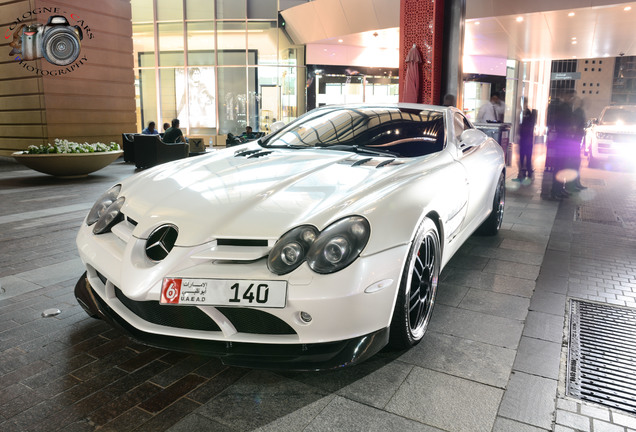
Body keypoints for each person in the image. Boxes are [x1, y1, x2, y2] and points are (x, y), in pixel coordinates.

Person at [517, 99, 537, 180]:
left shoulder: (528, 112)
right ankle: (523, 172)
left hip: (527, 137)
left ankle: (528, 172)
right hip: (523, 137)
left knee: (527, 156)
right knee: (522, 156)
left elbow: (530, 125)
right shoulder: (521, 112)